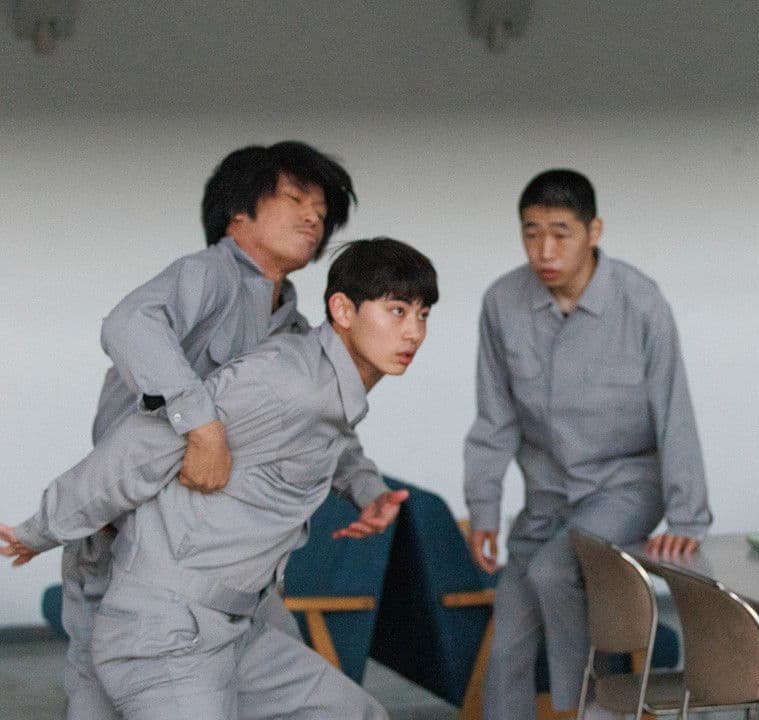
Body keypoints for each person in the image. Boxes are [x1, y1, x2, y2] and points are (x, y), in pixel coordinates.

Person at [1, 237, 436, 720]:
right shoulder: (284, 380)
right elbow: (145, 445)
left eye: (423, 315)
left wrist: (369, 492)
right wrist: (41, 528)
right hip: (168, 632)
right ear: (343, 310)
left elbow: (334, 446)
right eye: (397, 311)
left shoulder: (325, 390)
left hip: (234, 629)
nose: (414, 332)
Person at [60, 141, 400, 719]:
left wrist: (367, 489)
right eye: (295, 199)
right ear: (238, 213)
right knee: (106, 702)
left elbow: (326, 429)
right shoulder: (209, 274)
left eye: (322, 210)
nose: (313, 218)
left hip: (229, 567)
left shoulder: (295, 328)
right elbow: (129, 322)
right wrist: (203, 427)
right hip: (133, 551)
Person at [464, 169, 712, 719]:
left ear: (593, 231)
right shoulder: (502, 302)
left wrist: (687, 516)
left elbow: (674, 410)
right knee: (508, 643)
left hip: (625, 486)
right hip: (546, 496)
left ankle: (590, 709)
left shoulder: (640, 301)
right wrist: (483, 507)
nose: (544, 251)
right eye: (531, 233)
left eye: (561, 233)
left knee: (555, 570)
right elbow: (494, 416)